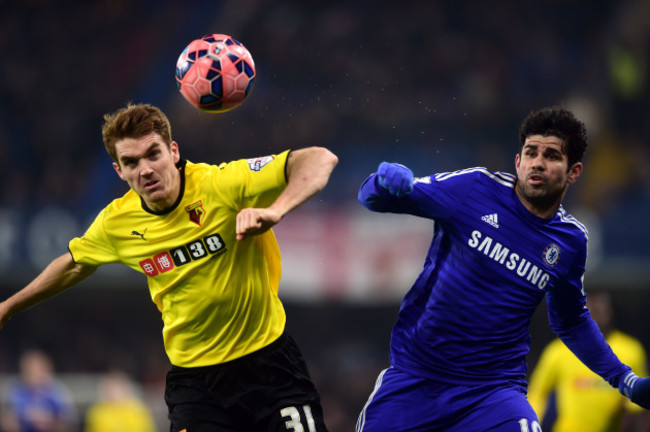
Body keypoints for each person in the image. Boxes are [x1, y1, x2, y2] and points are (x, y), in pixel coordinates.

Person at [0, 103, 338, 432]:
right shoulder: (116, 223)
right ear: (119, 171)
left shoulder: (221, 184)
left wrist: (276, 210)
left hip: (270, 366)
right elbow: (75, 264)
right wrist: (8, 307)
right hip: (197, 386)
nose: (145, 169)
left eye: (153, 154)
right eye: (130, 162)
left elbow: (320, 158)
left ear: (173, 151)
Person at [355, 106, 650, 431]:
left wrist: (625, 380)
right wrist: (382, 182)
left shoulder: (570, 241)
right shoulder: (474, 187)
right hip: (417, 379)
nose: (538, 162)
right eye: (531, 152)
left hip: (492, 394)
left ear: (573, 172)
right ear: (518, 161)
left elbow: (572, 321)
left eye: (552, 155)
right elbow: (374, 198)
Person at [528, 290, 649, 431]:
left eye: (601, 310)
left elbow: (636, 407)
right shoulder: (559, 350)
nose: (596, 315)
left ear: (611, 313)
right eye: (591, 310)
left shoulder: (630, 350)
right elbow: (538, 391)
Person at [1, 349, 77, 432]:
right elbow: (6, 423)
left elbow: (69, 423)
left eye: (37, 370)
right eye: (30, 370)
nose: (34, 374)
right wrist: (25, 419)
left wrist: (50, 421)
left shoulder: (57, 392)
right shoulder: (16, 392)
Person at [84, 370, 157, 432]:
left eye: (117, 388)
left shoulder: (139, 410)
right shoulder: (97, 412)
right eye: (111, 389)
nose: (115, 392)